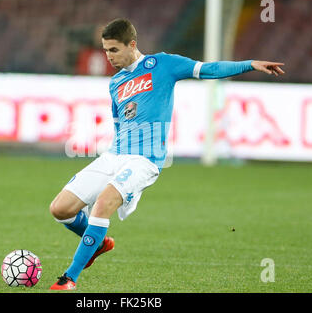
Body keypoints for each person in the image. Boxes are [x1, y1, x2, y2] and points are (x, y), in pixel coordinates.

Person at [49, 18, 285, 290]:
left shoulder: (163, 65)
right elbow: (118, 123)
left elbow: (208, 69)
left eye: (113, 50)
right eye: (105, 50)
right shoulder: (115, 84)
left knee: (103, 205)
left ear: (132, 45)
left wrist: (250, 64)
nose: (108, 56)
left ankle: (69, 279)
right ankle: (98, 243)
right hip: (114, 156)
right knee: (60, 209)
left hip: (144, 160)